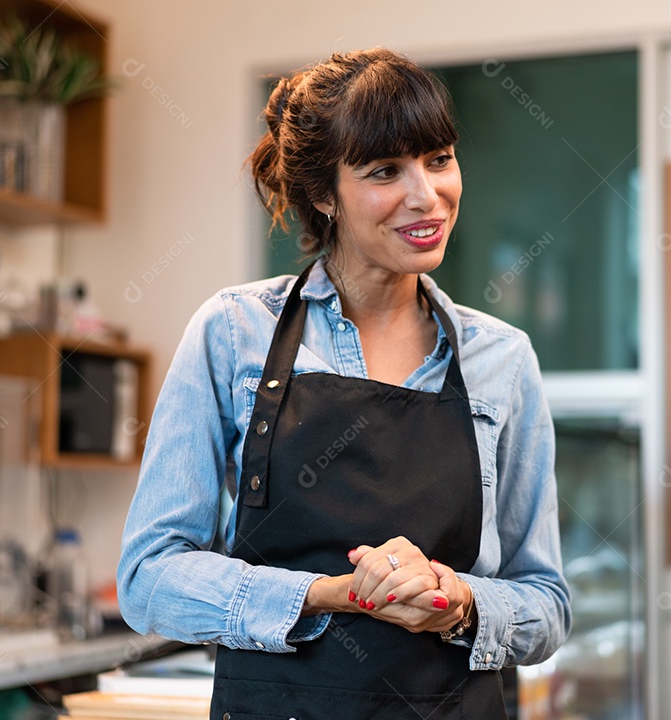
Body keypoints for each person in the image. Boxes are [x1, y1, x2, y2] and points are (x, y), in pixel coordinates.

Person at [117, 47, 570, 719]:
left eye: (439, 158)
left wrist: (457, 600)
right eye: (385, 170)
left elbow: (548, 602)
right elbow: (147, 576)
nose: (427, 195)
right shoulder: (234, 332)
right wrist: (326, 596)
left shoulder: (502, 359)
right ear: (324, 193)